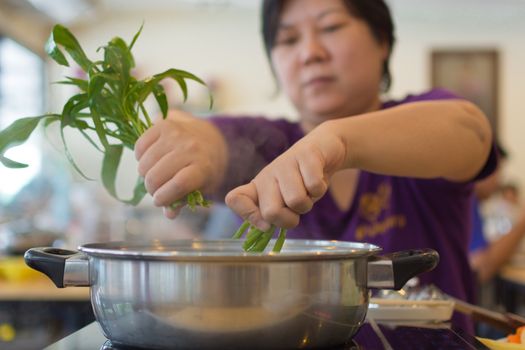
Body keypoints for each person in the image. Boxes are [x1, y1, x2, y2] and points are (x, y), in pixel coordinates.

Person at [134, 0, 496, 333]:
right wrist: (198, 146)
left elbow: (470, 131)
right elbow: (220, 142)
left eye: (331, 28)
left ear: (382, 41)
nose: (310, 53)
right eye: (288, 39)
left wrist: (337, 141)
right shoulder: (269, 142)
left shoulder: (420, 121)